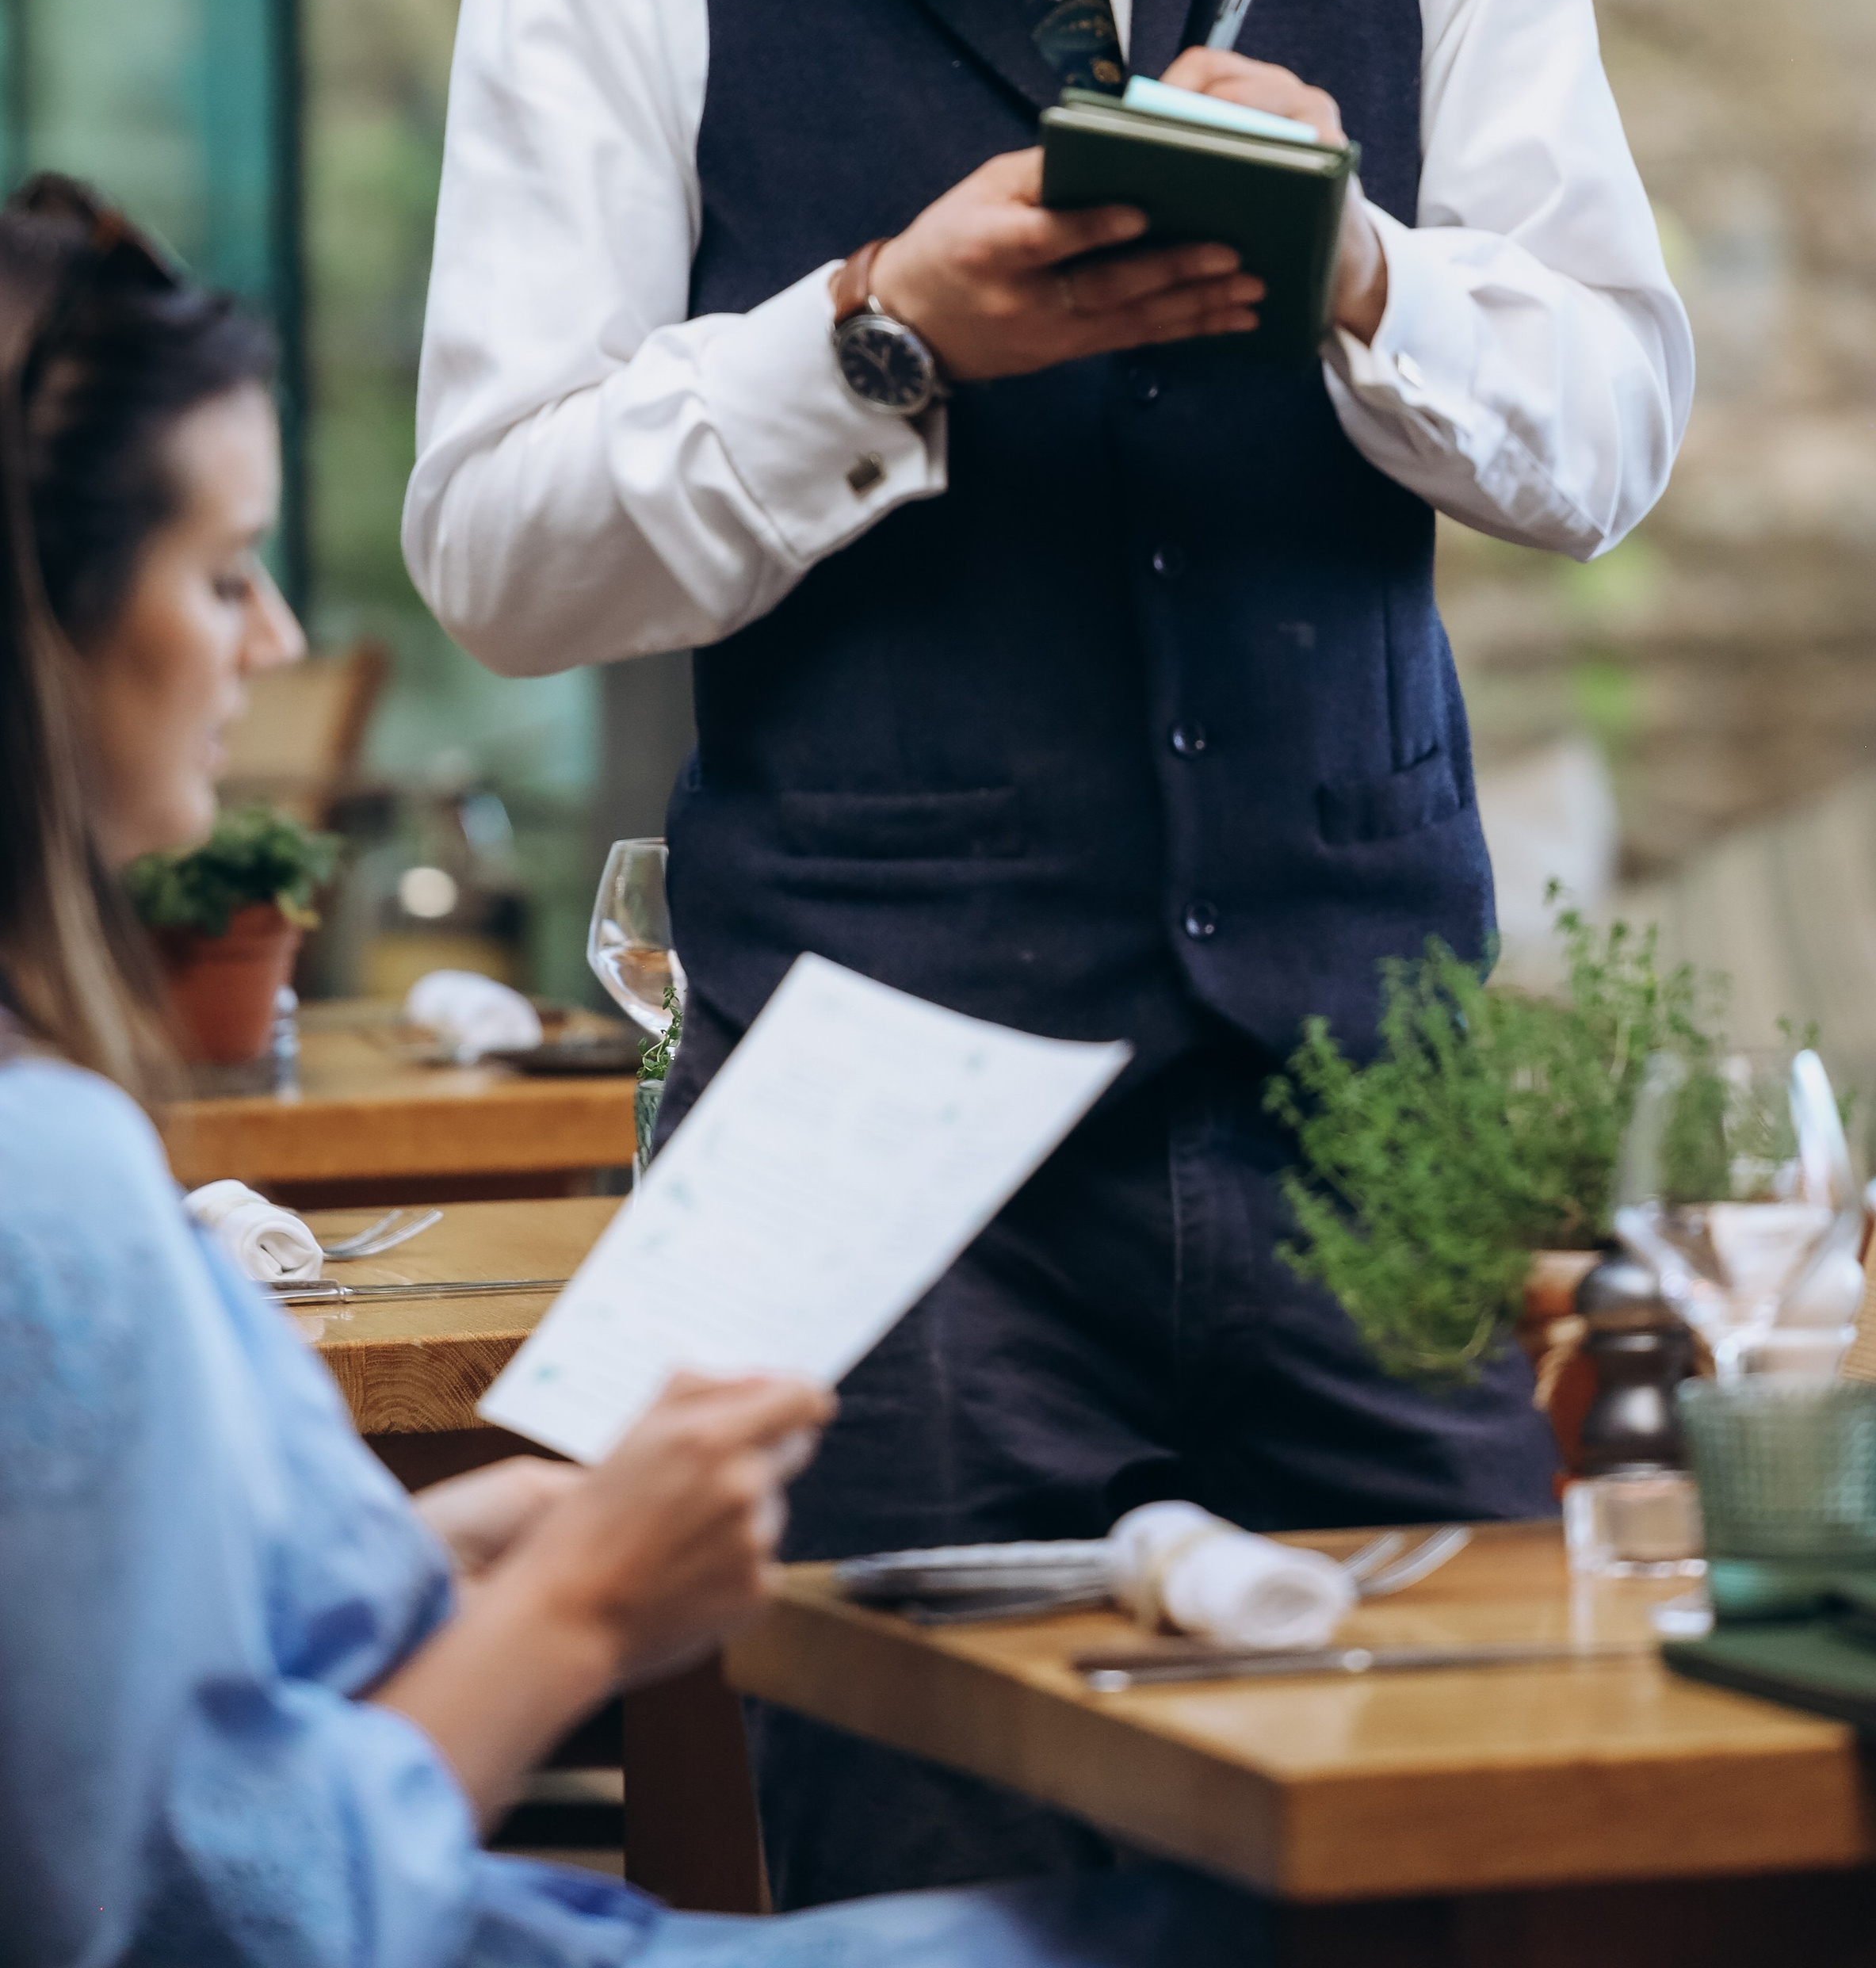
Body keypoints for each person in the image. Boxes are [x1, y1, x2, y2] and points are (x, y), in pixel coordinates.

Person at [403, 0, 1695, 1905]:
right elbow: (495, 545)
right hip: (875, 1168)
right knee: (946, 1921)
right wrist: (879, 330)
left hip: (1377, 1114)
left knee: (1518, 1878)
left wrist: (1358, 277)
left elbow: (1610, 424)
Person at [0, 172, 1266, 1968]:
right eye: (219, 573)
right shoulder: (42, 1183)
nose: (275, 644)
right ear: (31, 643)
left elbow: (105, 1699)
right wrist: (589, 1604)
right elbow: (222, 1913)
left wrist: (461, 1559)